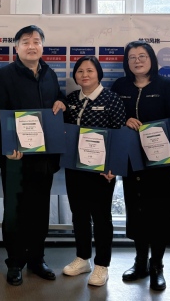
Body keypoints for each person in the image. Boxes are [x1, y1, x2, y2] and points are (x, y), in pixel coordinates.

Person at [0, 25, 66, 287]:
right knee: (15, 212)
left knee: (40, 211)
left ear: (42, 46)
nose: (31, 46)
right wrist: (7, 147)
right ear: (16, 47)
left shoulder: (49, 74)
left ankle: (36, 259)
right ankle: (14, 263)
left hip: (45, 158)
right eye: (25, 42)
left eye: (36, 41)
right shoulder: (3, 76)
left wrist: (61, 101)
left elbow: (56, 99)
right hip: (16, 158)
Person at [111, 41, 170, 291]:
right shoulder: (119, 86)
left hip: (161, 160)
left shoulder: (166, 86)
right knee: (137, 209)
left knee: (160, 211)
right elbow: (111, 118)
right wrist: (124, 119)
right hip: (132, 159)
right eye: (132, 57)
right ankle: (140, 262)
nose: (137, 61)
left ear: (152, 59)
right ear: (127, 62)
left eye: (142, 56)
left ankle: (157, 266)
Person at [61, 56, 125, 287]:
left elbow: (119, 134)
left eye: (90, 70)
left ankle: (102, 264)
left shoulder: (112, 99)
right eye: (80, 71)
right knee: (78, 213)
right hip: (74, 167)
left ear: (98, 73)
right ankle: (83, 258)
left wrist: (114, 166)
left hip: (101, 170)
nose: (85, 75)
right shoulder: (71, 99)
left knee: (101, 216)